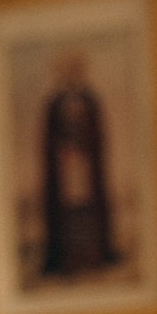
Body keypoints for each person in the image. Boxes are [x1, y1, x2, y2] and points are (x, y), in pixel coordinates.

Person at [40, 53, 117, 279]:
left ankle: (92, 256)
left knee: (87, 212)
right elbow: (49, 138)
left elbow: (96, 134)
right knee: (67, 214)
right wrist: (63, 147)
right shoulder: (55, 104)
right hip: (65, 170)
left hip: (86, 171)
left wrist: (83, 144)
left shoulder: (89, 101)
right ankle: (67, 258)